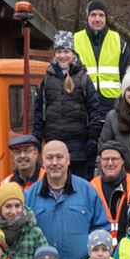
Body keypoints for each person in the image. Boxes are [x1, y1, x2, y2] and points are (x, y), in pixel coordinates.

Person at [24, 140, 110, 259]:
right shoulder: (29, 196)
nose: (54, 162)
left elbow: (101, 230)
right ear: (42, 161)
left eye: (59, 157)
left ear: (68, 159)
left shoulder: (87, 191)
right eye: (49, 158)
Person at [33, 31, 103, 181]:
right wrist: (37, 138)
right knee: (55, 181)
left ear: (73, 53)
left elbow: (94, 109)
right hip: (53, 141)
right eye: (59, 51)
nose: (63, 56)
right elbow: (39, 110)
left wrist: (93, 137)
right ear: (54, 54)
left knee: (78, 184)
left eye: (66, 51)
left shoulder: (84, 79)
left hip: (78, 145)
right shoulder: (47, 79)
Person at [73, 0, 130, 111]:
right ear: (87, 17)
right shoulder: (75, 40)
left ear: (106, 18)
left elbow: (129, 75)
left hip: (113, 106)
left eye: (101, 15)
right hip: (83, 104)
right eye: (93, 15)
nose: (97, 19)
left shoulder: (118, 40)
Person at [90, 141, 130, 247]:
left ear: (122, 161)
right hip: (100, 250)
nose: (110, 163)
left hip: (129, 248)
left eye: (114, 159)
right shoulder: (91, 187)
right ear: (100, 161)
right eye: (106, 159)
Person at [0, 134, 44, 209]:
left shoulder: (47, 180)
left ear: (36, 153)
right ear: (13, 156)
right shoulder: (4, 186)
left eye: (27, 151)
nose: (22, 155)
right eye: (18, 152)